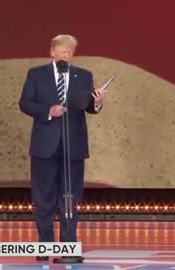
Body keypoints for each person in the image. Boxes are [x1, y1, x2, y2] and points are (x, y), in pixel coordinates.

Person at [18, 34, 106, 262]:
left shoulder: (83, 76)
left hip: (73, 147)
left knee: (70, 197)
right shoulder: (37, 74)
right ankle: (45, 245)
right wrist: (49, 110)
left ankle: (67, 247)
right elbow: (25, 103)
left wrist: (97, 102)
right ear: (52, 52)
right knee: (44, 198)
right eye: (62, 51)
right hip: (44, 146)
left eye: (70, 52)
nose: (66, 55)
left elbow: (89, 107)